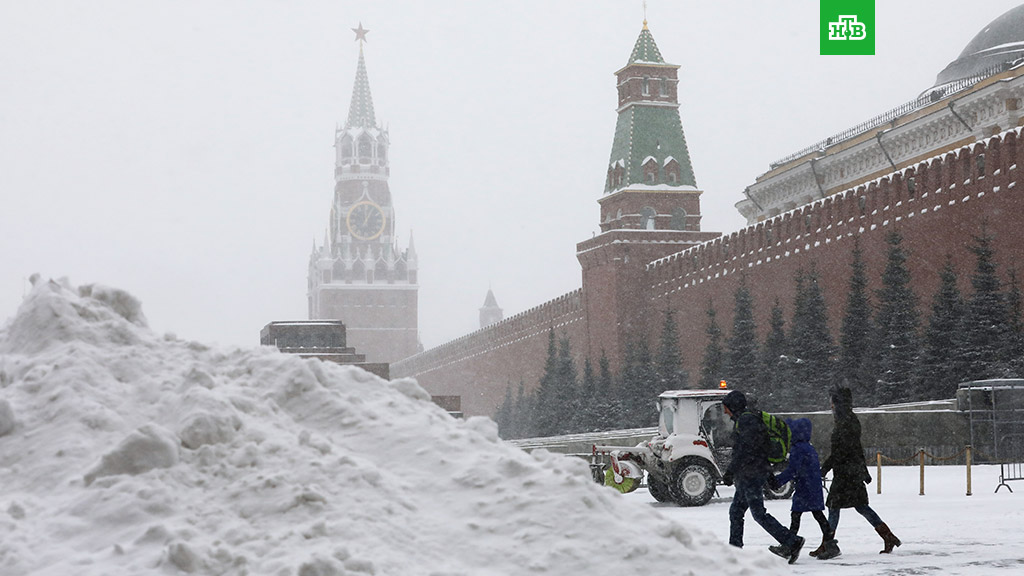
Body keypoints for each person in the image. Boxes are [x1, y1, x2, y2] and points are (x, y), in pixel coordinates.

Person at [721, 390, 805, 564]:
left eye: (726, 408)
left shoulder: (746, 421)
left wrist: (731, 471)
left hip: (751, 474)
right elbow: (758, 449)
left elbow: (747, 450)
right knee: (736, 511)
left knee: (758, 513)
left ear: (733, 406)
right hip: (750, 473)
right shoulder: (746, 420)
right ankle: (734, 549)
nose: (724, 411)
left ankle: (792, 541)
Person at [820, 386, 902, 554]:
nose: (830, 405)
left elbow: (841, 451)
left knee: (835, 506)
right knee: (860, 506)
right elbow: (853, 449)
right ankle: (888, 536)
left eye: (832, 401)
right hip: (851, 472)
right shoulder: (849, 420)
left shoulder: (845, 422)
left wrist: (825, 468)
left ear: (838, 403)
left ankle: (828, 544)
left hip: (846, 473)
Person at [770, 418, 840, 560]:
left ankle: (790, 546)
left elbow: (793, 469)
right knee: (816, 516)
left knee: (797, 516)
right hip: (811, 486)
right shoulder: (808, 447)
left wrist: (778, 481)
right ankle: (831, 545)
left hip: (805, 487)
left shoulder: (798, 449)